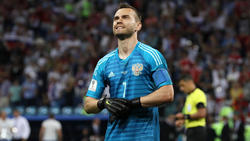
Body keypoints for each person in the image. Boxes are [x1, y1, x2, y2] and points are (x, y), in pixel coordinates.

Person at [84, 3, 174, 141]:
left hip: (144, 137)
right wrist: (104, 103)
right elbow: (88, 104)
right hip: (113, 137)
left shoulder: (151, 56)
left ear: (138, 25)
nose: (118, 20)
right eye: (116, 18)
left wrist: (133, 103)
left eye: (125, 17)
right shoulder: (103, 63)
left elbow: (167, 93)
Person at [175, 74, 207, 141]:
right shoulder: (189, 96)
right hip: (191, 130)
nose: (181, 89)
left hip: (197, 130)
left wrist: (184, 116)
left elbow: (202, 113)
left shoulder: (198, 94)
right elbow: (191, 115)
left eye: (182, 85)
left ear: (190, 82)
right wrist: (182, 121)